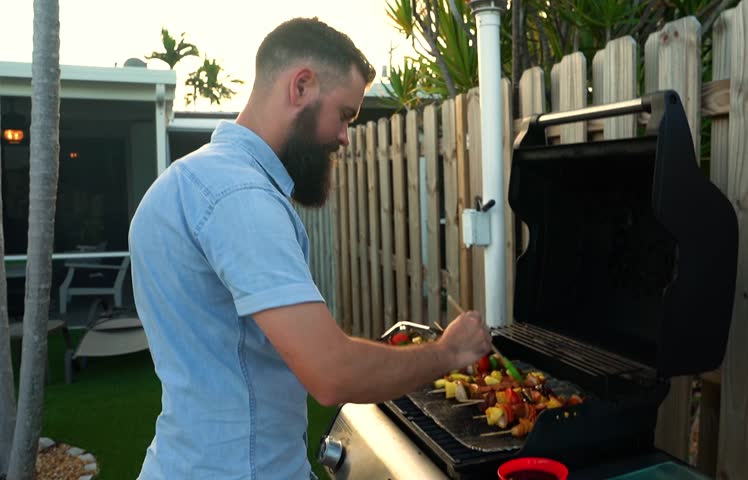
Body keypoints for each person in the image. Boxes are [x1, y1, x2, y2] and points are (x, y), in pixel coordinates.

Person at [129, 17, 492, 479]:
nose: (344, 137)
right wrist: (448, 352)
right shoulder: (239, 196)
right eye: (344, 115)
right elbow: (331, 373)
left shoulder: (186, 180)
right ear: (301, 86)